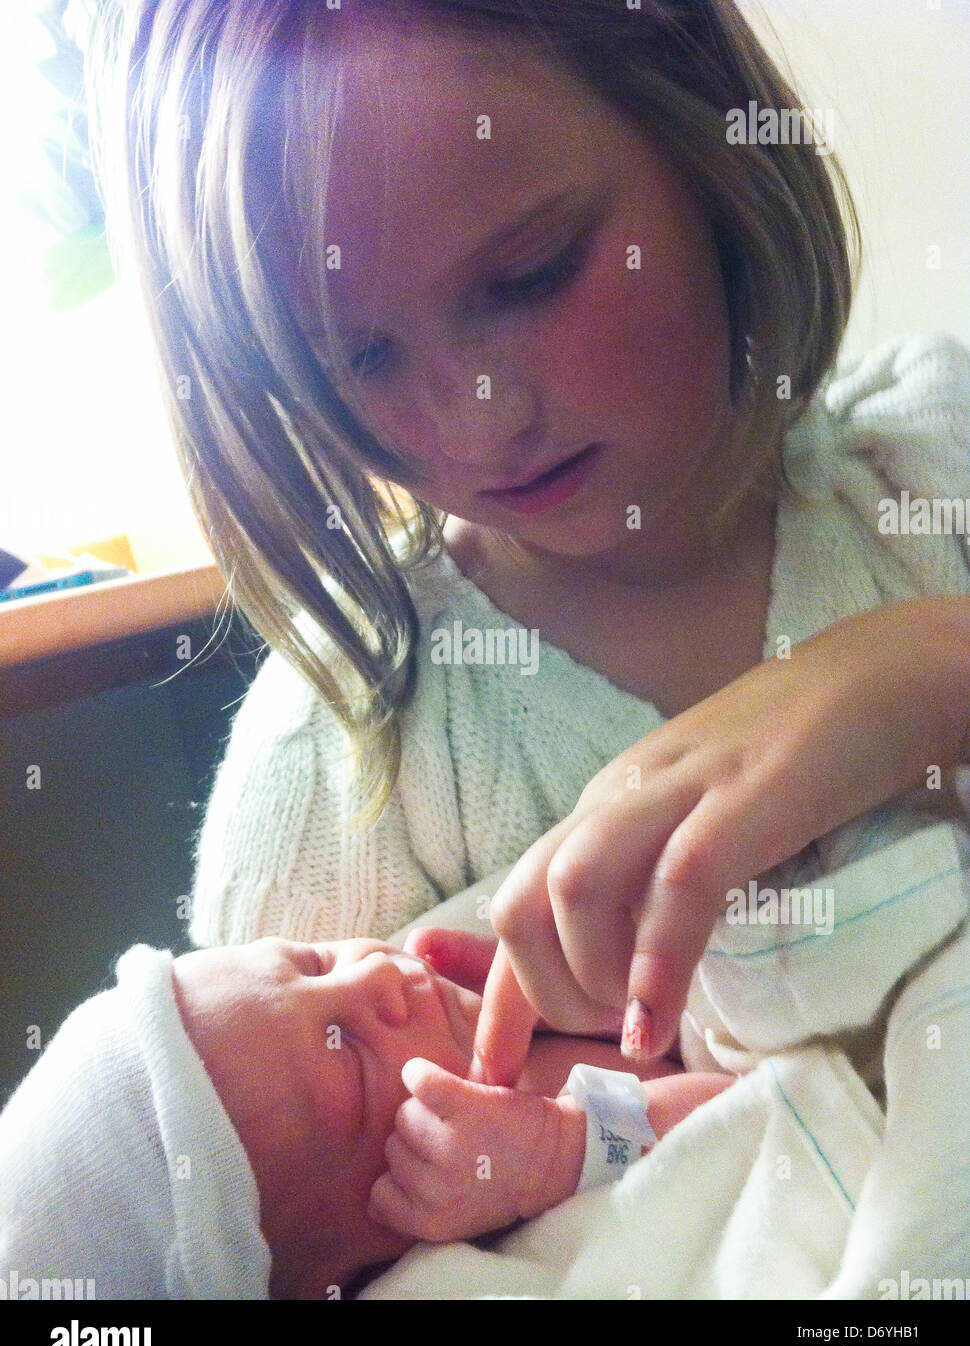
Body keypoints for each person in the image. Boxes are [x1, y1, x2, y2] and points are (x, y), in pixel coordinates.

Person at [86, 4, 970, 1139]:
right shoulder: (340, 787)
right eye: (355, 355)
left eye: (531, 274)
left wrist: (921, 670)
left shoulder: (936, 458)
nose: (477, 422)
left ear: (700, 132)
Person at [0, 934, 733, 1300]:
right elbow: (739, 1114)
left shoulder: (450, 985)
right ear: (338, 1275)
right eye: (347, 1052)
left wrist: (581, 979)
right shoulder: (477, 1237)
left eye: (314, 962)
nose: (376, 973)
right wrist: (559, 1148)